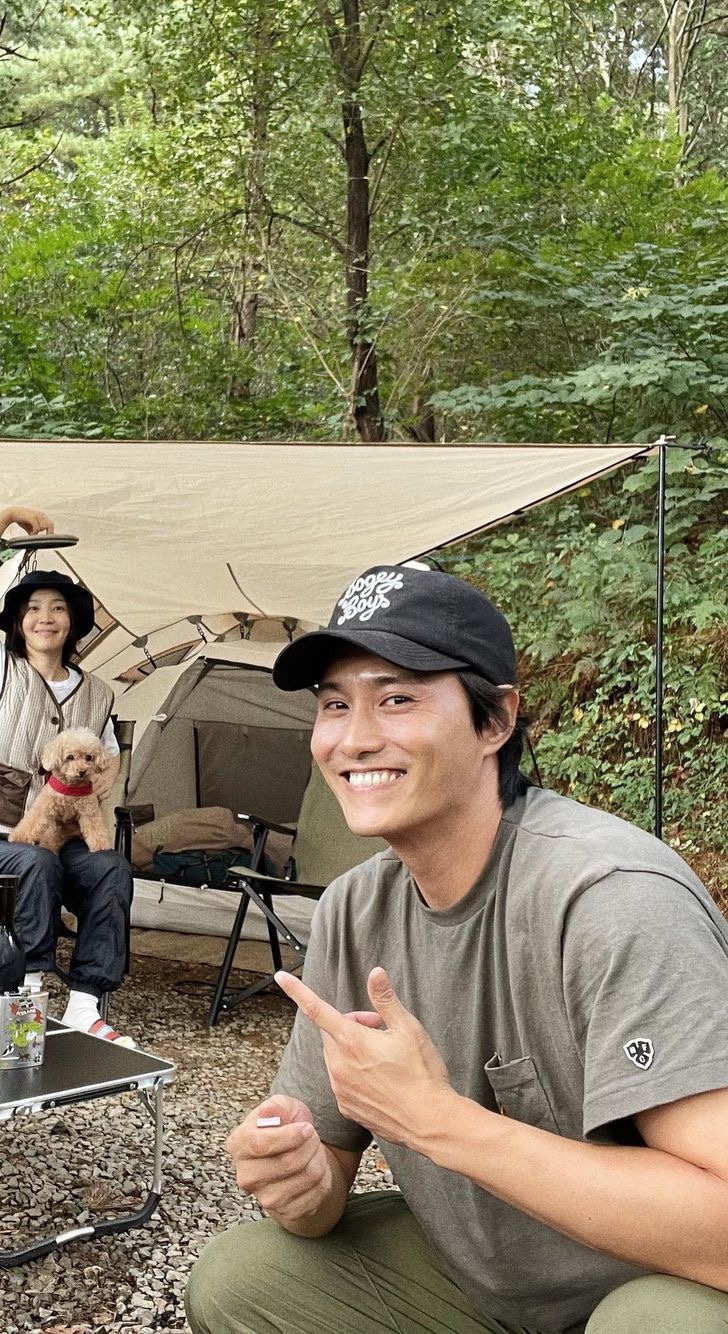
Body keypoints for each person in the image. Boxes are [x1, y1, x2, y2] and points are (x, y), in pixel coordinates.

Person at [186, 565, 728, 1333]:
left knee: (659, 1324)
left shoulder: (610, 897)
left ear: (495, 721)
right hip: (488, 1287)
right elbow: (324, 1186)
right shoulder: (354, 910)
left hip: (658, 1285)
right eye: (335, 704)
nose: (354, 738)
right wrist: (297, 1180)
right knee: (246, 1279)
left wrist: (437, 1121)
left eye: (396, 698)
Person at [0, 505, 134, 1045]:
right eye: (33, 609)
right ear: (18, 621)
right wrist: (5, 517)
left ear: (72, 622)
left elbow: (109, 757)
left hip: (61, 842)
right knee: (35, 863)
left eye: (58, 608)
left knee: (111, 868)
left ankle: (84, 1006)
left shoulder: (97, 693)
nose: (45, 617)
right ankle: (26, 998)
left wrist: (104, 776)